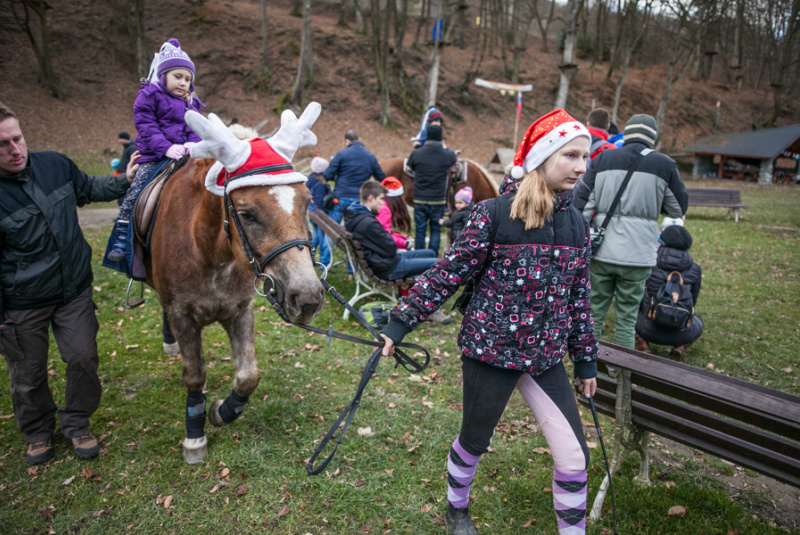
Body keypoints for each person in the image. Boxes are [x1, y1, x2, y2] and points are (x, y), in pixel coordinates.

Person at [380, 109, 599, 535]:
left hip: (545, 357)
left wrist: (585, 360)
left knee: (574, 457)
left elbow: (579, 300)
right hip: (490, 351)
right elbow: (448, 273)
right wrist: (400, 323)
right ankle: (456, 509)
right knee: (474, 443)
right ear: (542, 157)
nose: (581, 167)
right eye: (571, 155)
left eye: (585, 157)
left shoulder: (577, 225)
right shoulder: (493, 215)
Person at [0, 101, 139, 465]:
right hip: (21, 302)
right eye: (3, 144)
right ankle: (38, 431)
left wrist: (124, 181)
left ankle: (77, 422)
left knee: (82, 358)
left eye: (18, 138)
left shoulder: (54, 164)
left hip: (72, 290)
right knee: (27, 375)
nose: (15, 150)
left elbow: (87, 188)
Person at [577, 113, 688, 350]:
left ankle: (588, 370)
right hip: (638, 255)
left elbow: (583, 206)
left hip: (602, 251)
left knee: (594, 313)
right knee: (627, 319)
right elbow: (678, 208)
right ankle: (620, 375)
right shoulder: (664, 164)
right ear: (652, 137)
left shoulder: (603, 158)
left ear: (626, 134)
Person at [107, 38, 204, 262]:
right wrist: (166, 148)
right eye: (177, 77)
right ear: (163, 76)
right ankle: (122, 237)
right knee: (136, 191)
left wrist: (192, 142)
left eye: (188, 79)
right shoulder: (149, 95)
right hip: (155, 154)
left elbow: (196, 126)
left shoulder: (192, 102)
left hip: (186, 154)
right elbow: (146, 125)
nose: (183, 83)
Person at [344, 180, 439, 281]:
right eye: (381, 199)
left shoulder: (355, 214)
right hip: (388, 267)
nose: (382, 203)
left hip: (383, 261)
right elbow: (391, 248)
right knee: (438, 262)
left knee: (430, 253)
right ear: (371, 198)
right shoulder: (368, 223)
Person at [635, 222, 703, 360]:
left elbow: (637, 294)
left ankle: (643, 343)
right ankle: (680, 346)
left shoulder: (650, 263)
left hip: (647, 327)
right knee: (699, 323)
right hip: (682, 331)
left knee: (630, 311)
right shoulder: (695, 269)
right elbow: (692, 301)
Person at [407, 124, 457, 255]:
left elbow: (409, 167)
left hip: (420, 199)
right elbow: (454, 160)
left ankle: (418, 257)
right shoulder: (447, 155)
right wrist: (445, 147)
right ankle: (432, 258)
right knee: (435, 229)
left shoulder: (416, 154)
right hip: (438, 201)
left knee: (420, 229)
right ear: (441, 138)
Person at [323, 129, 385, 224]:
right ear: (359, 139)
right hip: (360, 199)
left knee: (331, 229)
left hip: (340, 197)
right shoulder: (370, 156)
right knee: (356, 228)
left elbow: (327, 175)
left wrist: (337, 178)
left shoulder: (341, 154)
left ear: (347, 141)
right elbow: (381, 177)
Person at [306, 156, 332, 269]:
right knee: (322, 238)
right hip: (319, 215)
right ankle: (323, 264)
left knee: (316, 236)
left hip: (312, 213)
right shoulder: (320, 184)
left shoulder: (311, 179)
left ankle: (309, 257)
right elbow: (320, 202)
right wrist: (326, 213)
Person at [378, 176, 413, 251]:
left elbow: (385, 232)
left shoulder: (382, 206)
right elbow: (385, 237)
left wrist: (403, 237)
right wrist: (404, 243)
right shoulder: (384, 211)